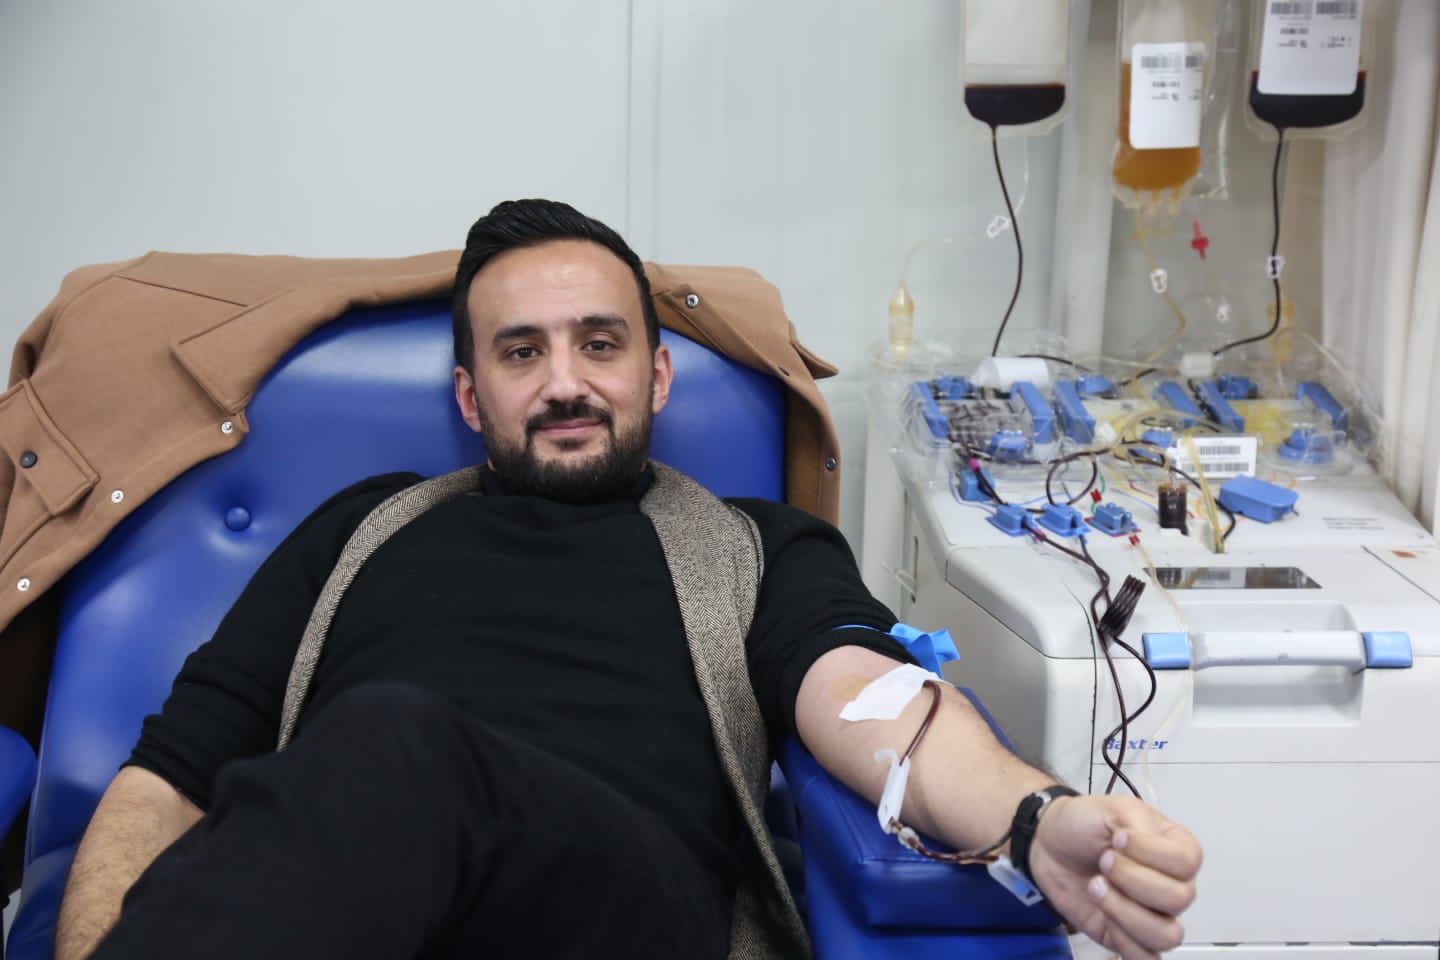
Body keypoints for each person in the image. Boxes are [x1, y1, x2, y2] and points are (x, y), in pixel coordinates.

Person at [53, 199, 1200, 960]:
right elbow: (167, 780)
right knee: (379, 756)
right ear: (471, 398)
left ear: (655, 377)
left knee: (397, 742)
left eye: (599, 345)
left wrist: (1032, 817)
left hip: (618, 912)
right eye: (522, 353)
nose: (565, 383)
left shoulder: (752, 545)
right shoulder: (361, 528)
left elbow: (873, 699)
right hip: (354, 912)